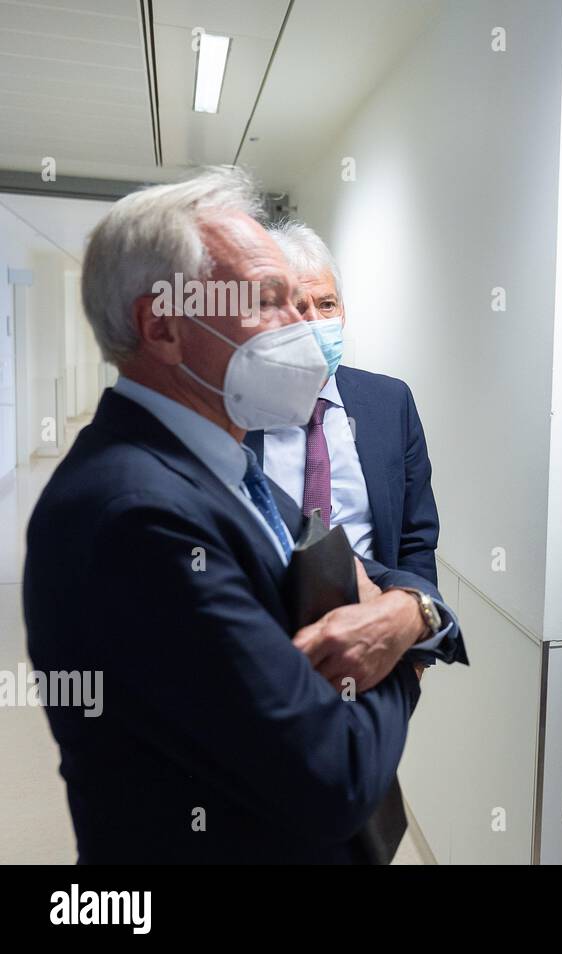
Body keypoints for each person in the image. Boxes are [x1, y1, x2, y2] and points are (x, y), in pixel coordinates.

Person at [23, 167, 465, 863]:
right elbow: (335, 775)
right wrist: (399, 660)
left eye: (310, 302)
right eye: (269, 300)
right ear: (162, 323)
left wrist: (411, 611)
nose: (301, 329)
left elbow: (365, 567)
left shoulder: (218, 461)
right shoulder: (135, 515)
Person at [242, 222, 456, 608]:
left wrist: (415, 647)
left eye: (326, 304)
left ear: (343, 312)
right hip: (265, 633)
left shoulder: (391, 402)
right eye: (298, 307)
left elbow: (417, 537)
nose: (315, 321)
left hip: (372, 630)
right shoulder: (233, 414)